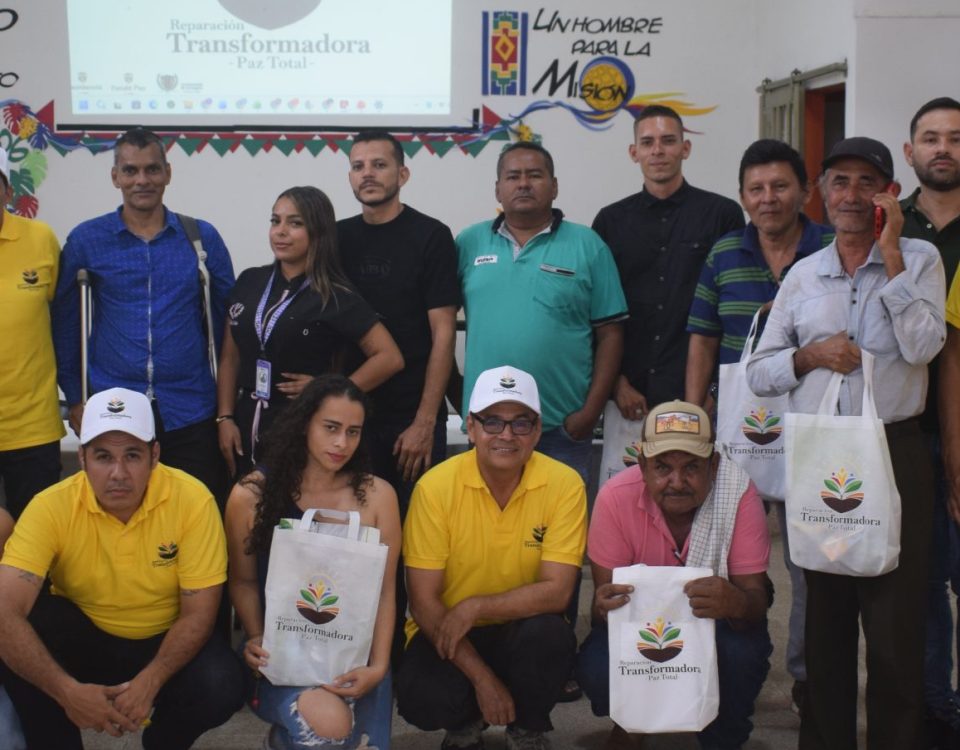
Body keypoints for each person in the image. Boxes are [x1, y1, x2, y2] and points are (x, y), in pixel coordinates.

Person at [747, 137, 946, 749]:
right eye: (840, 182)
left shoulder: (921, 260)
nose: (852, 195)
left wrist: (891, 258)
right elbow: (760, 372)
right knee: (826, 621)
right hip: (823, 455)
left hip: (895, 453)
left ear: (891, 194)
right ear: (822, 194)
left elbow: (924, 347)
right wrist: (809, 356)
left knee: (895, 623)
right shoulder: (803, 275)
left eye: (868, 182)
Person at [0, 387, 244, 749]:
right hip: (83, 633)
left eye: (132, 455)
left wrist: (151, 680)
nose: (118, 473)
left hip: (162, 639)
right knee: (17, 636)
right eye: (103, 456)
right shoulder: (50, 506)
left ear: (154, 455)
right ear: (82, 458)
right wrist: (67, 692)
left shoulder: (193, 500)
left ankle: (161, 742)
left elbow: (198, 615)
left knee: (222, 683)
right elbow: (5, 611)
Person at [684, 139, 833, 712]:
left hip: (813, 429)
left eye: (780, 186)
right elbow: (703, 337)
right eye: (756, 189)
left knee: (809, 561)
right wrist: (693, 417)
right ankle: (718, 666)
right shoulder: (725, 252)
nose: (768, 198)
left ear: (804, 191)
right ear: (743, 196)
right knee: (725, 550)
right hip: (739, 430)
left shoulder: (830, 248)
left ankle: (807, 674)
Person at [397, 367, 587, 750]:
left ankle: (527, 728)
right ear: (471, 427)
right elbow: (423, 602)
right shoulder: (434, 488)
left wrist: (477, 606)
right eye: (493, 421)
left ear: (537, 431)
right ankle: (465, 723)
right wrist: (483, 679)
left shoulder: (565, 484)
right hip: (450, 630)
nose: (506, 435)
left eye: (521, 423)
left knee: (550, 637)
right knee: (421, 694)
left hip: (523, 628)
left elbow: (558, 593)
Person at [51, 127, 235, 502]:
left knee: (195, 507)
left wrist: (227, 409)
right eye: (130, 170)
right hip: (114, 405)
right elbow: (66, 326)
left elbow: (229, 326)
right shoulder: (87, 240)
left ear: (167, 173)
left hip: (190, 406)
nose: (142, 180)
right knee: (119, 512)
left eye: (152, 169)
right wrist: (75, 398)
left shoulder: (201, 238)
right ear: (115, 176)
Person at [577, 400, 772, 750]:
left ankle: (722, 737)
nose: (677, 482)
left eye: (692, 467)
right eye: (663, 467)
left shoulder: (738, 495)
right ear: (642, 465)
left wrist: (736, 602)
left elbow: (756, 603)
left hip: (715, 628)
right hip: (640, 629)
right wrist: (604, 606)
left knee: (741, 653)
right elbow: (601, 615)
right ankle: (632, 724)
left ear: (713, 465)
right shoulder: (614, 498)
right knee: (597, 667)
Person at [225, 374, 401, 749]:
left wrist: (379, 666)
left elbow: (386, 591)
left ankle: (288, 738)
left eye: (353, 432)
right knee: (327, 728)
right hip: (281, 658)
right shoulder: (250, 496)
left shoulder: (378, 497)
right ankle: (291, 732)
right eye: (331, 428)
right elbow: (243, 581)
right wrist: (255, 635)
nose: (341, 443)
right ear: (305, 423)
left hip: (354, 656)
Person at [457, 141, 627, 484]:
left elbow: (611, 334)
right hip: (487, 427)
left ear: (554, 186)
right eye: (513, 176)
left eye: (534, 175)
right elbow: (441, 326)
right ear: (498, 189)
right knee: (484, 517)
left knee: (558, 518)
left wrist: (589, 413)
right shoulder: (468, 243)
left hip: (561, 429)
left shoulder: (588, 245)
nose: (523, 183)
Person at [217, 186, 403, 477]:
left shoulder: (334, 295)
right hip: (243, 421)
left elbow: (389, 357)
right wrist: (224, 417)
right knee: (242, 500)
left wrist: (330, 391)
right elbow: (230, 358)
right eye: (275, 221)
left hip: (300, 423)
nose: (281, 231)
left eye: (295, 223)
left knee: (287, 499)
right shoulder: (249, 281)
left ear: (318, 232)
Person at [593, 105, 744, 421]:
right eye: (647, 142)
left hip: (701, 394)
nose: (658, 151)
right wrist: (615, 384)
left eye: (668, 140)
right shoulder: (610, 221)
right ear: (634, 152)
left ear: (685, 148)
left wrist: (714, 387)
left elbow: (733, 309)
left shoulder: (722, 215)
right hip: (629, 398)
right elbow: (597, 313)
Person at [338, 129, 460, 511]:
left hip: (411, 420)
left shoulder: (431, 236)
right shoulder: (335, 238)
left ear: (402, 175)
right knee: (355, 534)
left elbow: (444, 333)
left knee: (417, 532)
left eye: (379, 164)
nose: (367, 174)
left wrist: (425, 422)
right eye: (358, 166)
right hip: (350, 417)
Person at [900, 97, 960, 746]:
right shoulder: (890, 226)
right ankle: (934, 710)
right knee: (920, 586)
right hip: (907, 436)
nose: (943, 148)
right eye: (931, 137)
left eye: (955, 137)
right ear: (910, 149)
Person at [0, 146, 64, 518]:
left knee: (37, 535)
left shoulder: (40, 238)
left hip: (33, 427)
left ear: (8, 192)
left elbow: (65, 319)